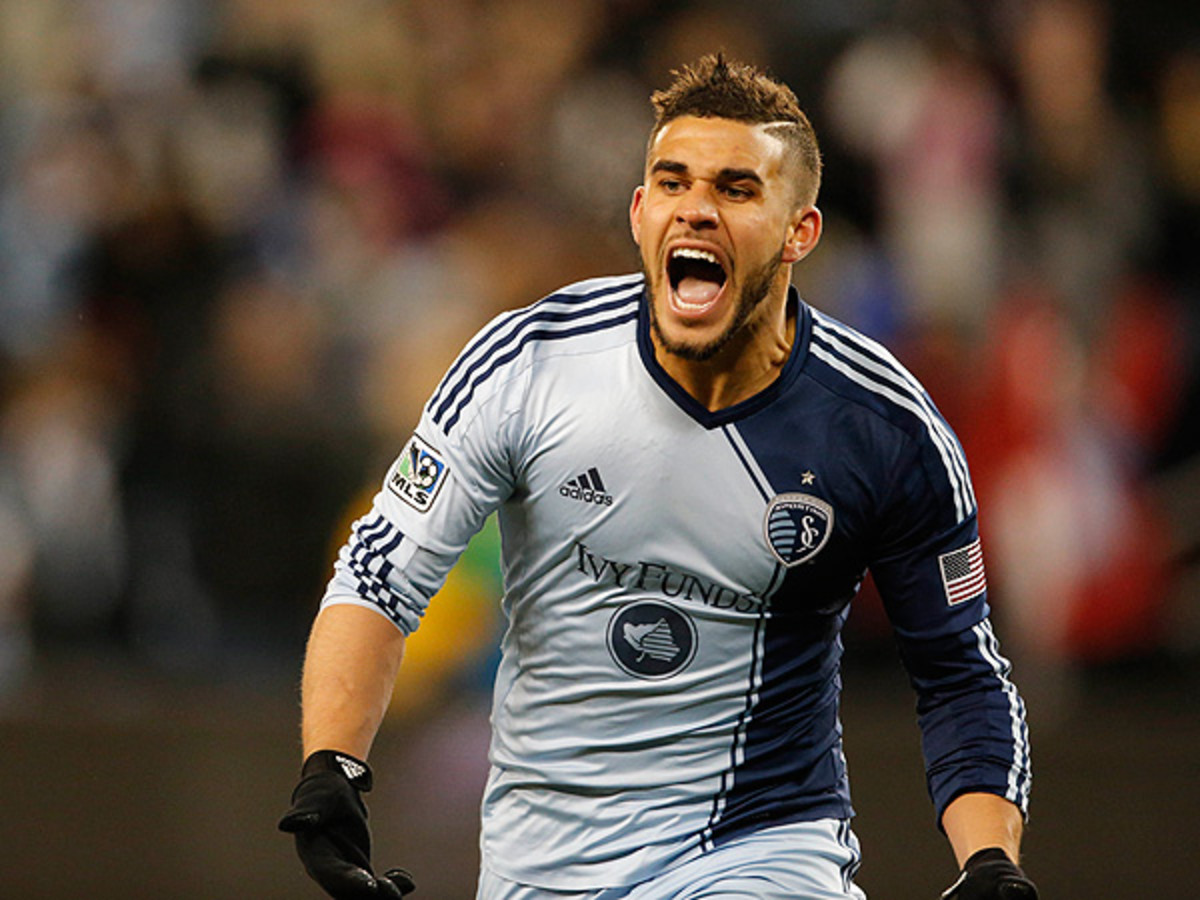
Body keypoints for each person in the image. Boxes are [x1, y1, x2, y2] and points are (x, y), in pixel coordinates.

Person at [280, 54, 1036, 900]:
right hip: (541, 869)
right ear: (642, 214)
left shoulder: (884, 428)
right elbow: (379, 578)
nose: (698, 209)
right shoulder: (526, 367)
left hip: (762, 853)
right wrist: (332, 765)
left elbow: (958, 669)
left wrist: (988, 858)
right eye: (674, 183)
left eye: (737, 190)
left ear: (800, 232)